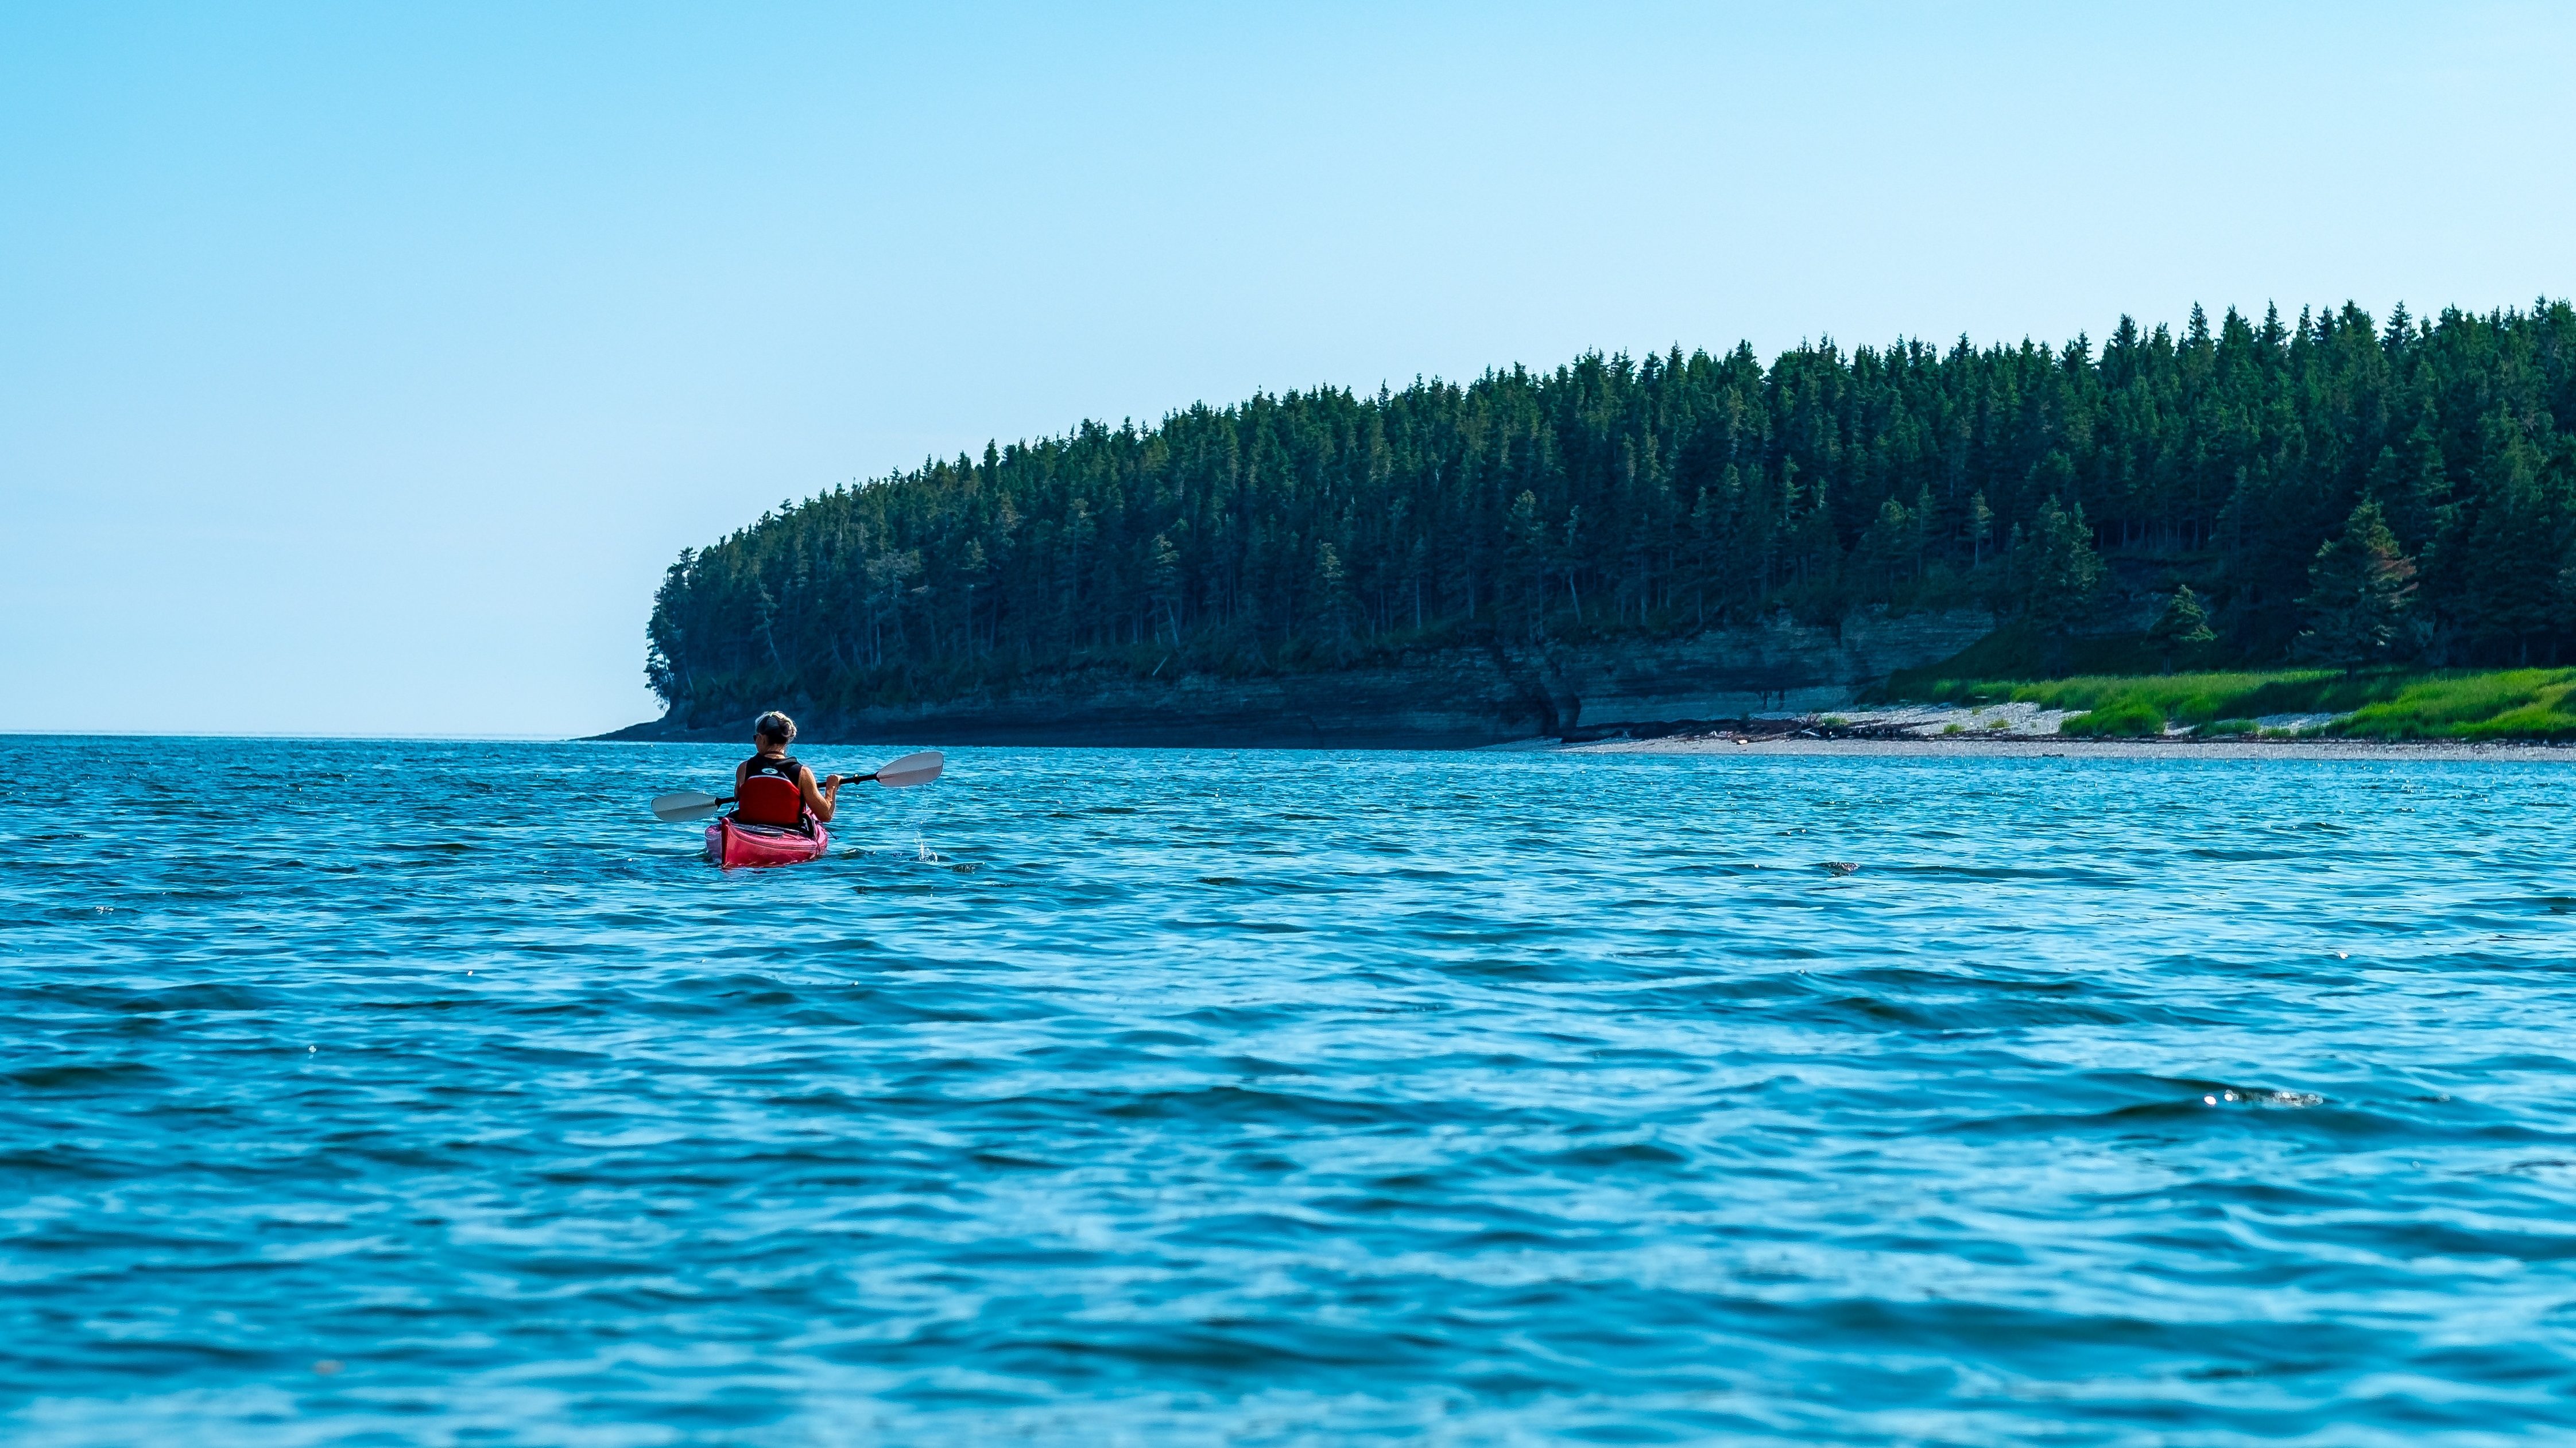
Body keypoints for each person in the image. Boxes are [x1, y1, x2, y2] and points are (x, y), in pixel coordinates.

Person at [733, 711, 845, 827]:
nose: (755, 741)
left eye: (755, 737)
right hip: (788, 832)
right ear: (787, 741)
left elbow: (737, 796)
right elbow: (825, 815)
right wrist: (831, 787)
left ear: (762, 739)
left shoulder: (744, 768)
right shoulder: (802, 773)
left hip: (748, 829)